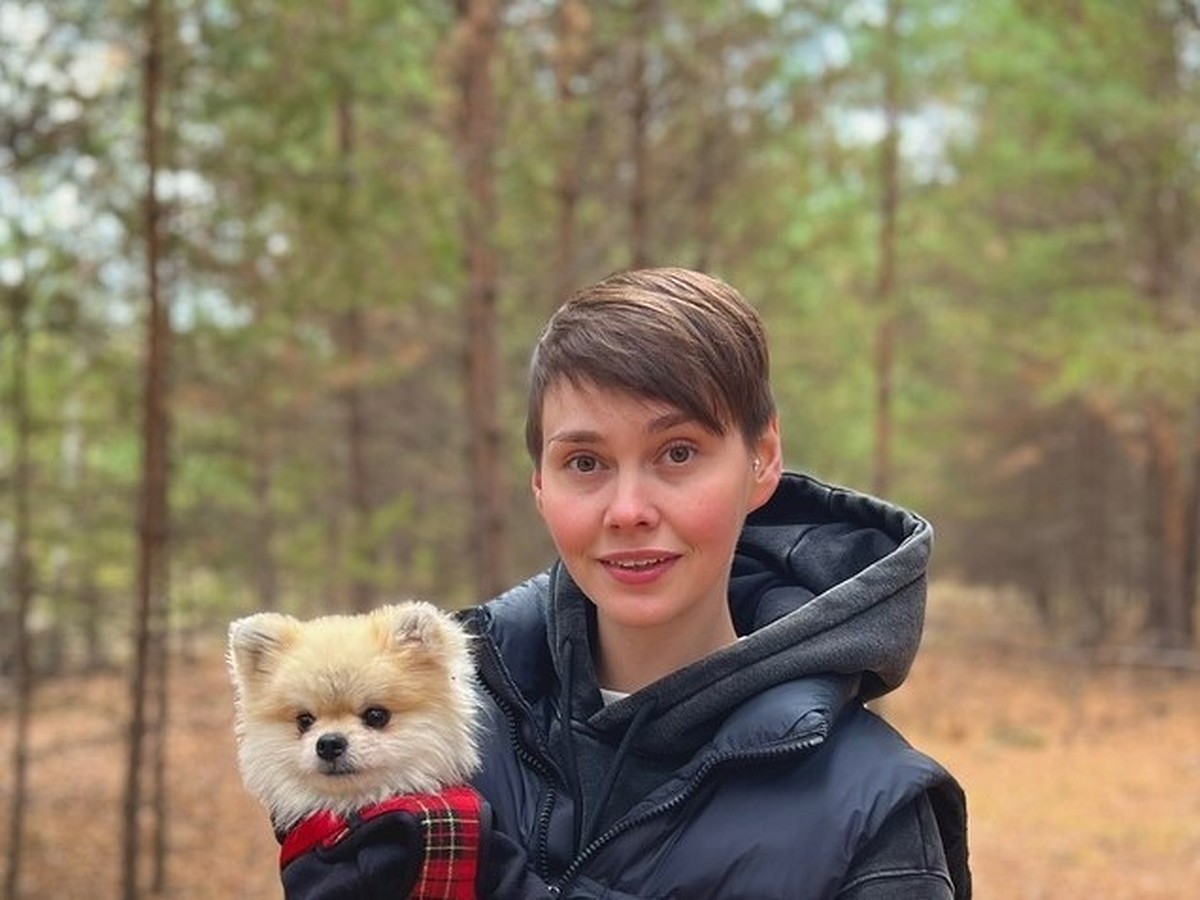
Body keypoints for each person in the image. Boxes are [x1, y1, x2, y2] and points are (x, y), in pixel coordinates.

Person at [459, 266, 971, 898]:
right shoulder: (423, 734)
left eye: (677, 452)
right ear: (540, 483)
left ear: (764, 458)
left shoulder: (869, 812)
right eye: (585, 462)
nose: (628, 510)